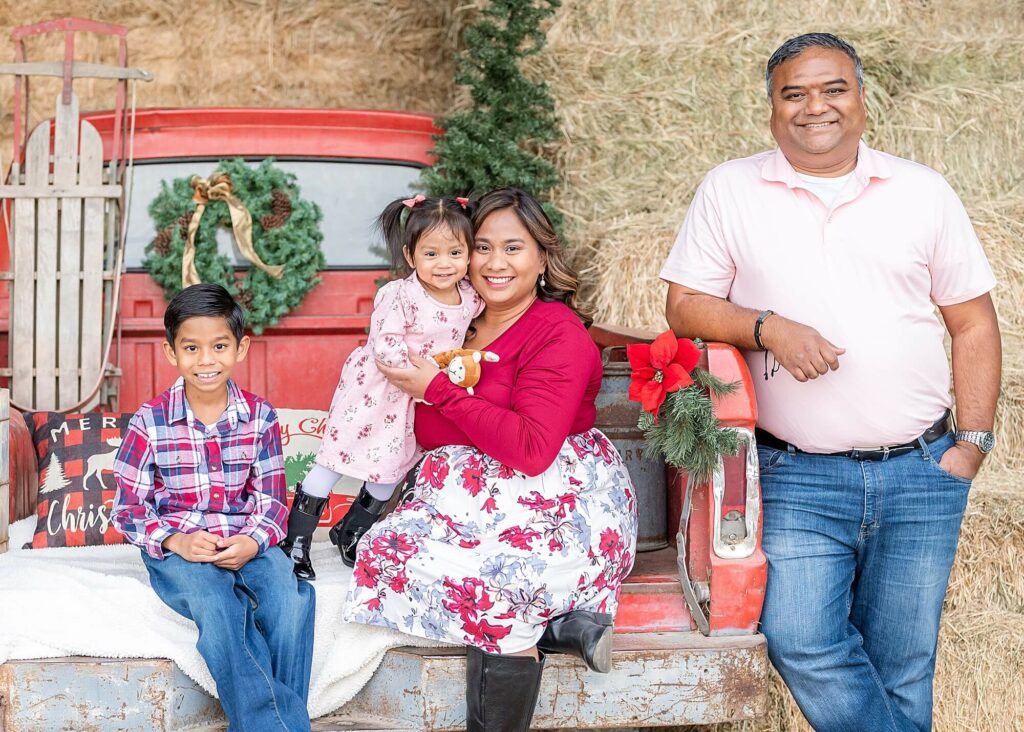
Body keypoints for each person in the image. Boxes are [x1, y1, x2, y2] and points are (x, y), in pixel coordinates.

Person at [661, 32, 1001, 732]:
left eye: (833, 89)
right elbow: (683, 305)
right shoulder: (731, 188)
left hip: (921, 468)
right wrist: (768, 328)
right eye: (795, 94)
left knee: (905, 661)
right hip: (796, 475)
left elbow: (973, 324)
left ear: (863, 101)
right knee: (800, 639)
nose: (815, 107)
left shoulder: (922, 192)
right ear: (772, 110)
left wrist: (970, 447)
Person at [345, 188, 638, 732]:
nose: (495, 263)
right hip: (464, 496)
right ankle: (558, 629)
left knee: (494, 581)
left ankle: (537, 628)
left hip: (553, 499)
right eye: (481, 247)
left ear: (542, 256)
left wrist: (441, 391)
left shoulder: (559, 334)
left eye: (513, 248)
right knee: (383, 552)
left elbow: (530, 449)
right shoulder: (456, 319)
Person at [112, 283, 315, 732]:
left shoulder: (260, 417)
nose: (206, 360)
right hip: (181, 548)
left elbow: (273, 502)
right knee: (218, 605)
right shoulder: (150, 421)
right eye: (191, 348)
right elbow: (128, 508)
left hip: (247, 540)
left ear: (240, 348)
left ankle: (270, 721)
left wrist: (252, 541)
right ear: (171, 353)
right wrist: (178, 540)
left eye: (219, 346)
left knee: (289, 599)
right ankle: (281, 726)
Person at [278, 195, 481, 580]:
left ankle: (351, 531)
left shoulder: (469, 297)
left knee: (393, 467)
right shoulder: (400, 294)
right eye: (432, 253)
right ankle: (296, 542)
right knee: (333, 460)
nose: (444, 264)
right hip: (375, 390)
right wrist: (422, 381)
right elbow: (386, 347)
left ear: (469, 254)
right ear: (410, 255)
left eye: (455, 252)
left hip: (418, 396)